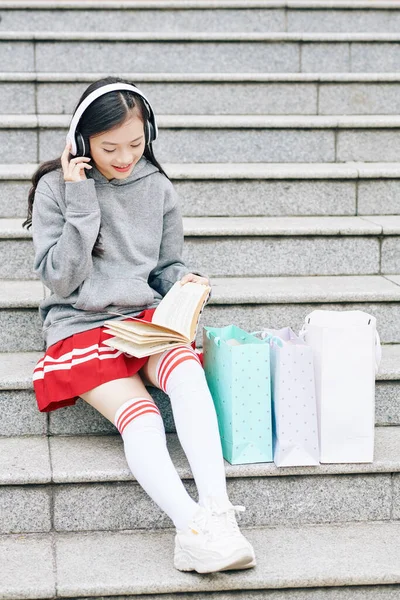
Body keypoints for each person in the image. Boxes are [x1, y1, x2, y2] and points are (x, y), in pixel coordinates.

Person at [23, 76, 256, 574]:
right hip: (81, 325)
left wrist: (186, 283)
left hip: (144, 320)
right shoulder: (55, 188)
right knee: (145, 419)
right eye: (110, 147)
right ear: (81, 140)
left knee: (189, 379)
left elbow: (164, 266)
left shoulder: (158, 187)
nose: (125, 157)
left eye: (136, 143)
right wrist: (80, 196)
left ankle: (218, 512)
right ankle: (191, 528)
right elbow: (61, 280)